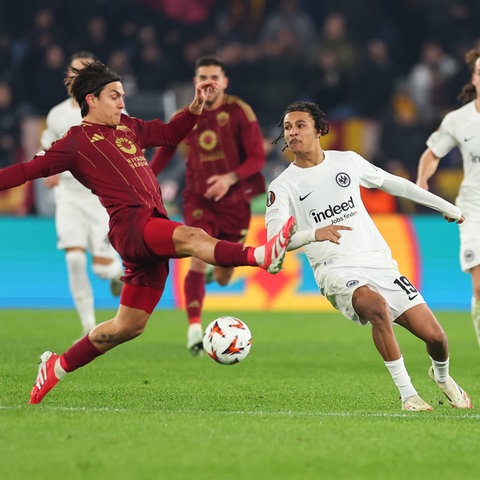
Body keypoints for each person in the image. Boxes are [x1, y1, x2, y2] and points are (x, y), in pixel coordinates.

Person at [0, 60, 296, 404]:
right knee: (191, 236)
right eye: (114, 96)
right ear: (91, 99)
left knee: (127, 327)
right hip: (132, 226)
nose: (122, 103)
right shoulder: (74, 142)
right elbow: (25, 171)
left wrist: (195, 107)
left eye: (122, 95)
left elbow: (170, 134)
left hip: (148, 227)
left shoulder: (128, 127)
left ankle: (56, 367)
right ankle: (260, 255)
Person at [265, 100, 471, 411]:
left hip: (379, 264)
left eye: (300, 125)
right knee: (375, 307)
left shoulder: (347, 161)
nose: (292, 133)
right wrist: (313, 234)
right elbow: (273, 243)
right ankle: (408, 396)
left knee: (437, 339)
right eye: (287, 128)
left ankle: (441, 377)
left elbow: (396, 185)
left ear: (319, 130)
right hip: (334, 269)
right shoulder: (283, 186)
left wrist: (446, 206)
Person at [151, 55, 266, 355]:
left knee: (226, 276)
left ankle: (220, 270)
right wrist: (146, 178)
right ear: (195, 82)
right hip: (199, 199)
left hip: (236, 201)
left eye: (215, 78)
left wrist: (229, 178)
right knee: (199, 257)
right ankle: (193, 330)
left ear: (225, 82)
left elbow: (257, 158)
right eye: (203, 77)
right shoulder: (186, 115)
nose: (209, 83)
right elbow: (165, 151)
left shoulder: (240, 112)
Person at [41, 51, 123, 337]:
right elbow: (46, 150)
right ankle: (89, 327)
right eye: (74, 72)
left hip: (100, 197)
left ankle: (116, 273)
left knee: (102, 268)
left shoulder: (111, 107)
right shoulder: (57, 114)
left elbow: (131, 142)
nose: (77, 77)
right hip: (68, 196)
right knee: (74, 259)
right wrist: (48, 170)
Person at [416, 48, 480, 347]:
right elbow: (432, 152)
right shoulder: (458, 119)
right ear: (474, 78)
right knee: (479, 287)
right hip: (473, 207)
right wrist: (422, 180)